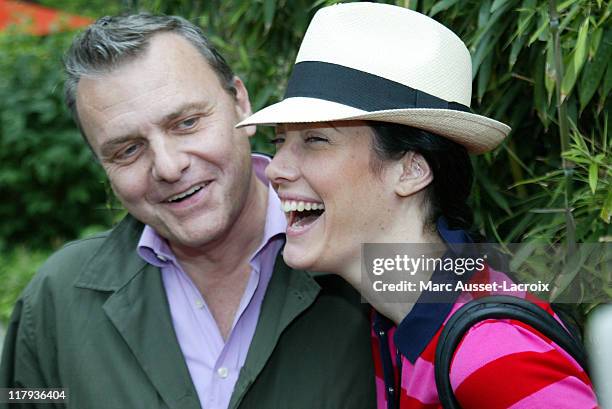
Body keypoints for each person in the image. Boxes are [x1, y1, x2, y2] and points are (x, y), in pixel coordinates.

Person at [0, 14, 376, 409]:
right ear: (101, 165)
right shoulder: (55, 301)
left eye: (187, 123)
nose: (167, 166)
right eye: (127, 150)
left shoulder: (373, 255)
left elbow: (444, 357)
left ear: (240, 103)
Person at [238, 3, 599, 408]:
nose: (276, 169)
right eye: (279, 142)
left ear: (410, 170)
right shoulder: (390, 323)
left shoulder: (492, 355)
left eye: (315, 140)